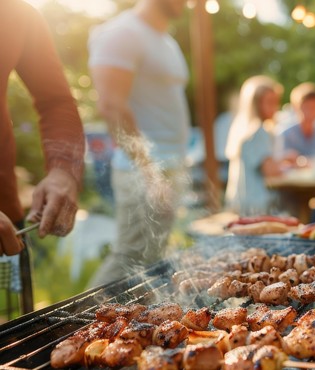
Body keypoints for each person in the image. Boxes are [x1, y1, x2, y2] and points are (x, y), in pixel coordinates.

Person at [87, 0, 190, 287]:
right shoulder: (123, 32)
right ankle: (71, 327)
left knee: (151, 261)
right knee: (128, 258)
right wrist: (149, 172)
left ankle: (127, 329)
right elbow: (111, 106)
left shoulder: (166, 41)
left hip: (170, 165)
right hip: (141, 169)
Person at [1, 0, 85, 311]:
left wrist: (63, 170)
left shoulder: (16, 13)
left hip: (5, 235)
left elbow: (56, 102)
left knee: (13, 348)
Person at [225, 75, 284, 216]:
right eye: (269, 102)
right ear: (256, 104)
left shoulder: (242, 128)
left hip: (241, 203)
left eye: (276, 102)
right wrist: (288, 165)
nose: (275, 108)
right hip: (258, 207)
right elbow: (270, 171)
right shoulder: (258, 131)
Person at [275, 83, 315, 221]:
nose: (310, 112)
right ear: (296, 108)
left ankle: (313, 226)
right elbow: (279, 164)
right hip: (293, 188)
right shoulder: (284, 132)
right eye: (306, 108)